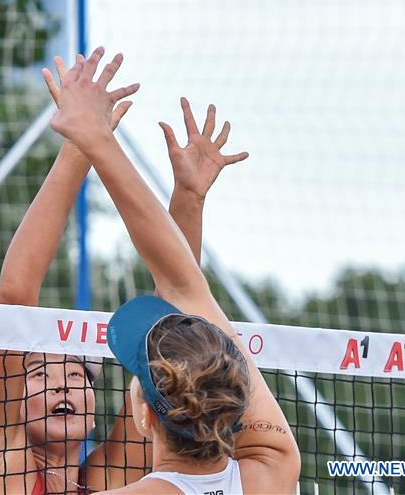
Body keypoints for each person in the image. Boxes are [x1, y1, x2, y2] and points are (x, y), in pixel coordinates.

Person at [0, 46, 253, 494]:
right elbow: (14, 299)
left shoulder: (109, 480)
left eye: (76, 376)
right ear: (12, 400)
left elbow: (169, 328)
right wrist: (80, 145)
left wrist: (189, 198)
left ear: (97, 404)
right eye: (39, 375)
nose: (62, 387)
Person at [50, 49, 301, 494]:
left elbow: (183, 286)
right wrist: (186, 198)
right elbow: (182, 284)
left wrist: (93, 139)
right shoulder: (273, 472)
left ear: (142, 415)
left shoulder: (272, 464)